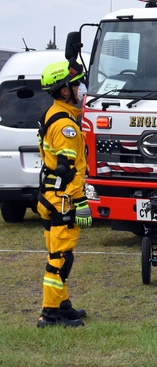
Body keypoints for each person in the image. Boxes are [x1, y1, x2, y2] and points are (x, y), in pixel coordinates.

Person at [35, 60, 91, 328]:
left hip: (51, 195)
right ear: (64, 90)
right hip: (62, 199)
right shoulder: (64, 125)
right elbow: (67, 169)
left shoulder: (56, 115)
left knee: (59, 254)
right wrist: (80, 201)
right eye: (76, 84)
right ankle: (50, 313)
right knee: (60, 257)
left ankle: (62, 304)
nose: (80, 88)